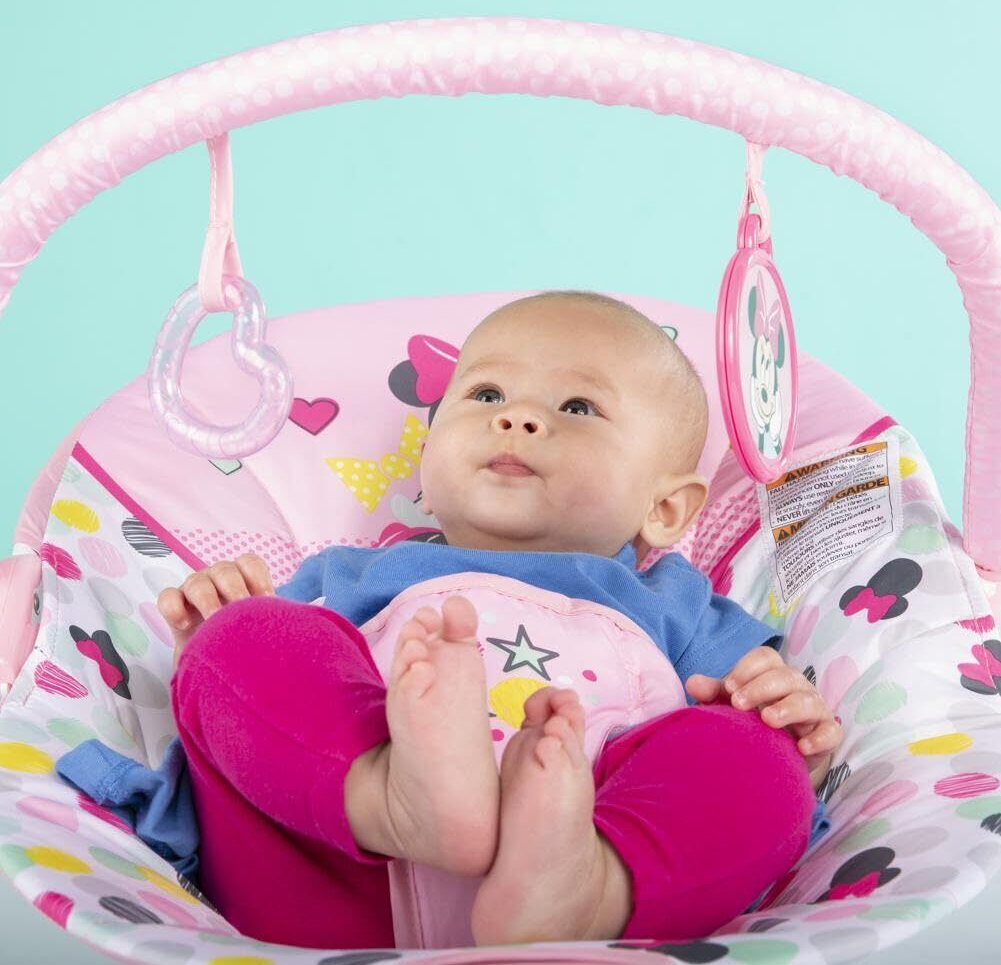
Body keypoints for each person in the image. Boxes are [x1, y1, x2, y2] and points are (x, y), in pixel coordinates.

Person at [158, 290, 842, 950]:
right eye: (486, 395)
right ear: (426, 467)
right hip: (330, 885)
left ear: (664, 509)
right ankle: (389, 796)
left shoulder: (676, 602)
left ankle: (587, 886)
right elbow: (273, 706)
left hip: (605, 912)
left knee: (758, 757)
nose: (516, 418)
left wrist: (785, 724)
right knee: (242, 639)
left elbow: (744, 719)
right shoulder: (351, 574)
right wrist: (214, 627)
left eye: (577, 407)